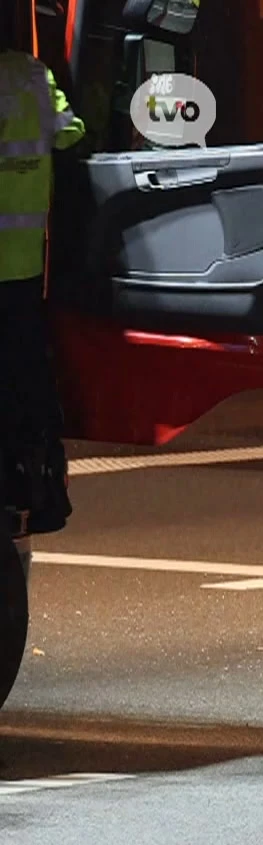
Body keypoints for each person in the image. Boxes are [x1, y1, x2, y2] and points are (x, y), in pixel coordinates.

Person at [0, 42, 86, 582]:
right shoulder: (34, 75)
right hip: (25, 263)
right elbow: (71, 131)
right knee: (25, 381)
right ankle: (29, 489)